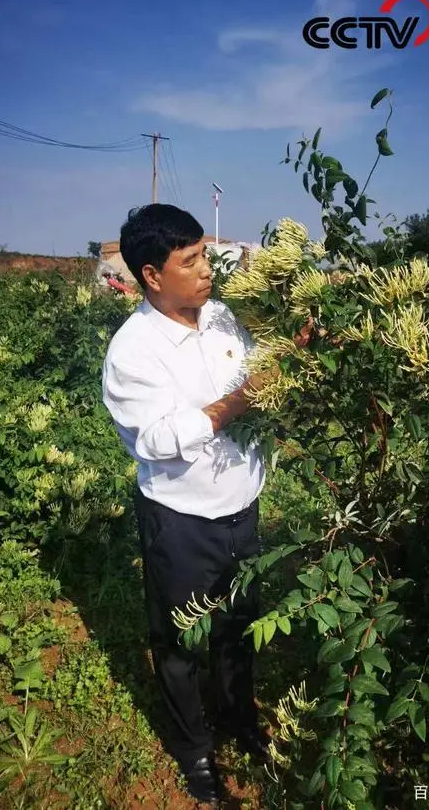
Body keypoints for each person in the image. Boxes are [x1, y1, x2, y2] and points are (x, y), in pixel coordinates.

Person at [101, 204, 277, 804]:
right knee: (177, 643)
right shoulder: (134, 351)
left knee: (237, 623)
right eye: (192, 261)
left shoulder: (225, 319)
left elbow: (262, 375)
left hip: (242, 506)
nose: (208, 271)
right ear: (153, 275)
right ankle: (194, 752)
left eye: (205, 255)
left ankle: (238, 718)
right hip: (180, 518)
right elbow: (155, 441)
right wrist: (237, 404)